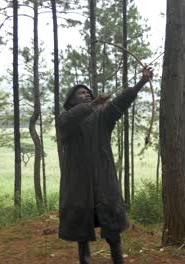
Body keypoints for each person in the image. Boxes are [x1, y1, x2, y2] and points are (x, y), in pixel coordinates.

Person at [58, 67, 154, 264]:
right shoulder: (66, 121)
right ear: (72, 101)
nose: (86, 95)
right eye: (81, 93)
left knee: (113, 230)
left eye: (88, 93)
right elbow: (69, 119)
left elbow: (120, 102)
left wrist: (141, 83)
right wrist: (94, 103)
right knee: (82, 234)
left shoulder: (102, 118)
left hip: (104, 181)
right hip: (78, 185)